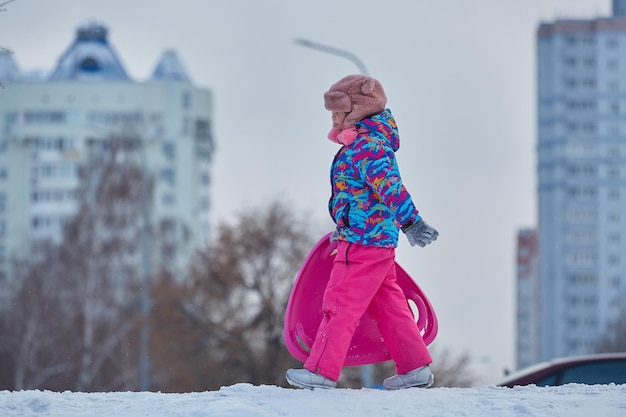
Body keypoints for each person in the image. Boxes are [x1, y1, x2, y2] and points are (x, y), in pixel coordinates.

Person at [285, 74, 439, 390]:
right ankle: (414, 368)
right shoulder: (365, 144)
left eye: (336, 111)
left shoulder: (367, 146)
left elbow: (389, 186)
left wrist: (411, 222)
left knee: (339, 304)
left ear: (356, 110)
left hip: (363, 240)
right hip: (374, 240)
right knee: (389, 306)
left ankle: (321, 371)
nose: (332, 117)